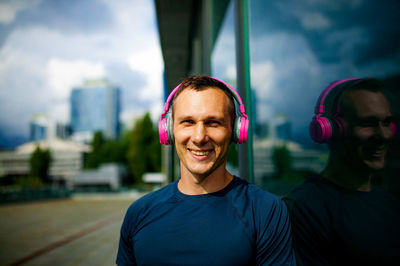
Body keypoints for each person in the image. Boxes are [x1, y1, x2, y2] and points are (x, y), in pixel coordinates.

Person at [116, 75, 296, 265]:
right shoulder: (139, 212)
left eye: (213, 123)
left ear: (235, 130)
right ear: (169, 130)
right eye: (188, 122)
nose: (199, 137)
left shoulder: (266, 211)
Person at [284, 78, 400, 265]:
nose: (383, 135)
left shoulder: (391, 204)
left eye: (386, 123)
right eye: (368, 124)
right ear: (329, 130)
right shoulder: (302, 209)